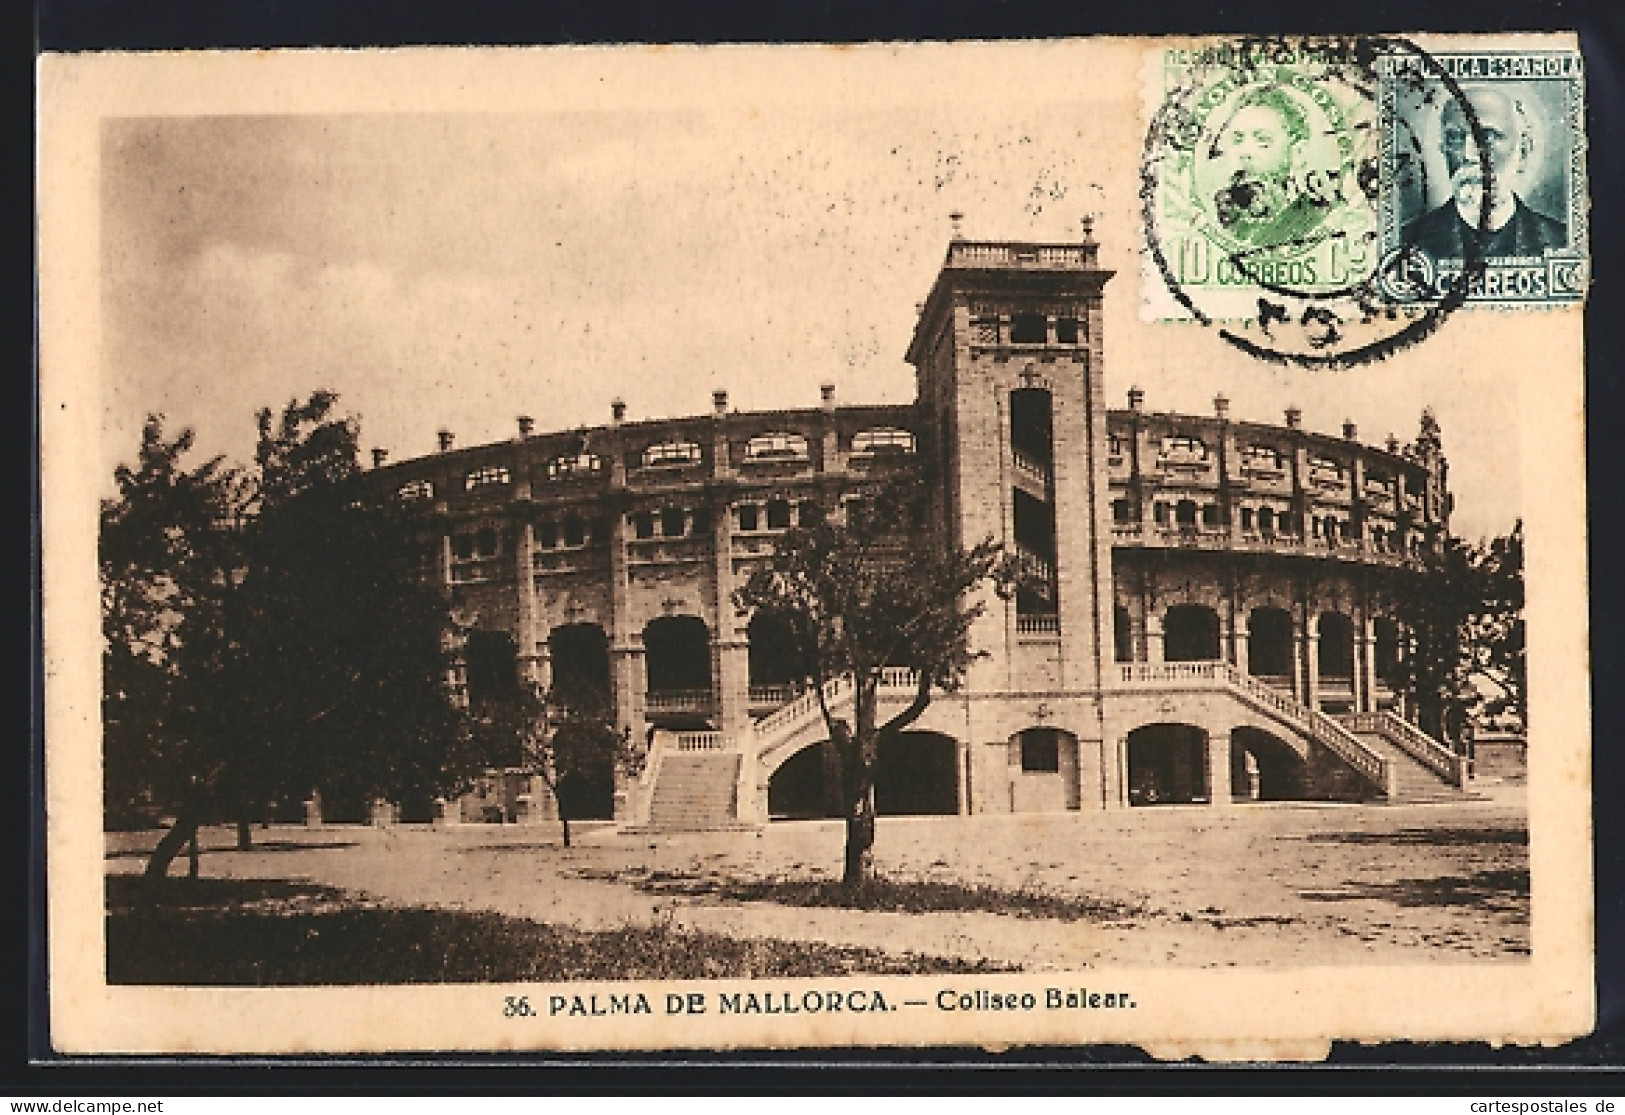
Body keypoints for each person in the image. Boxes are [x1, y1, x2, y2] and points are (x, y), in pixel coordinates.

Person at [1404, 85, 1566, 260]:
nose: (1468, 155)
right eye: (1455, 138)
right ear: (1443, 148)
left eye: (1486, 137)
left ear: (1523, 151)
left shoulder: (1561, 242)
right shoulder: (1408, 242)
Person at [1206, 86, 1329, 250]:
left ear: (1297, 151)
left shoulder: (1318, 217)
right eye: (1237, 140)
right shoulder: (1221, 215)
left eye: (1263, 141)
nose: (1245, 152)